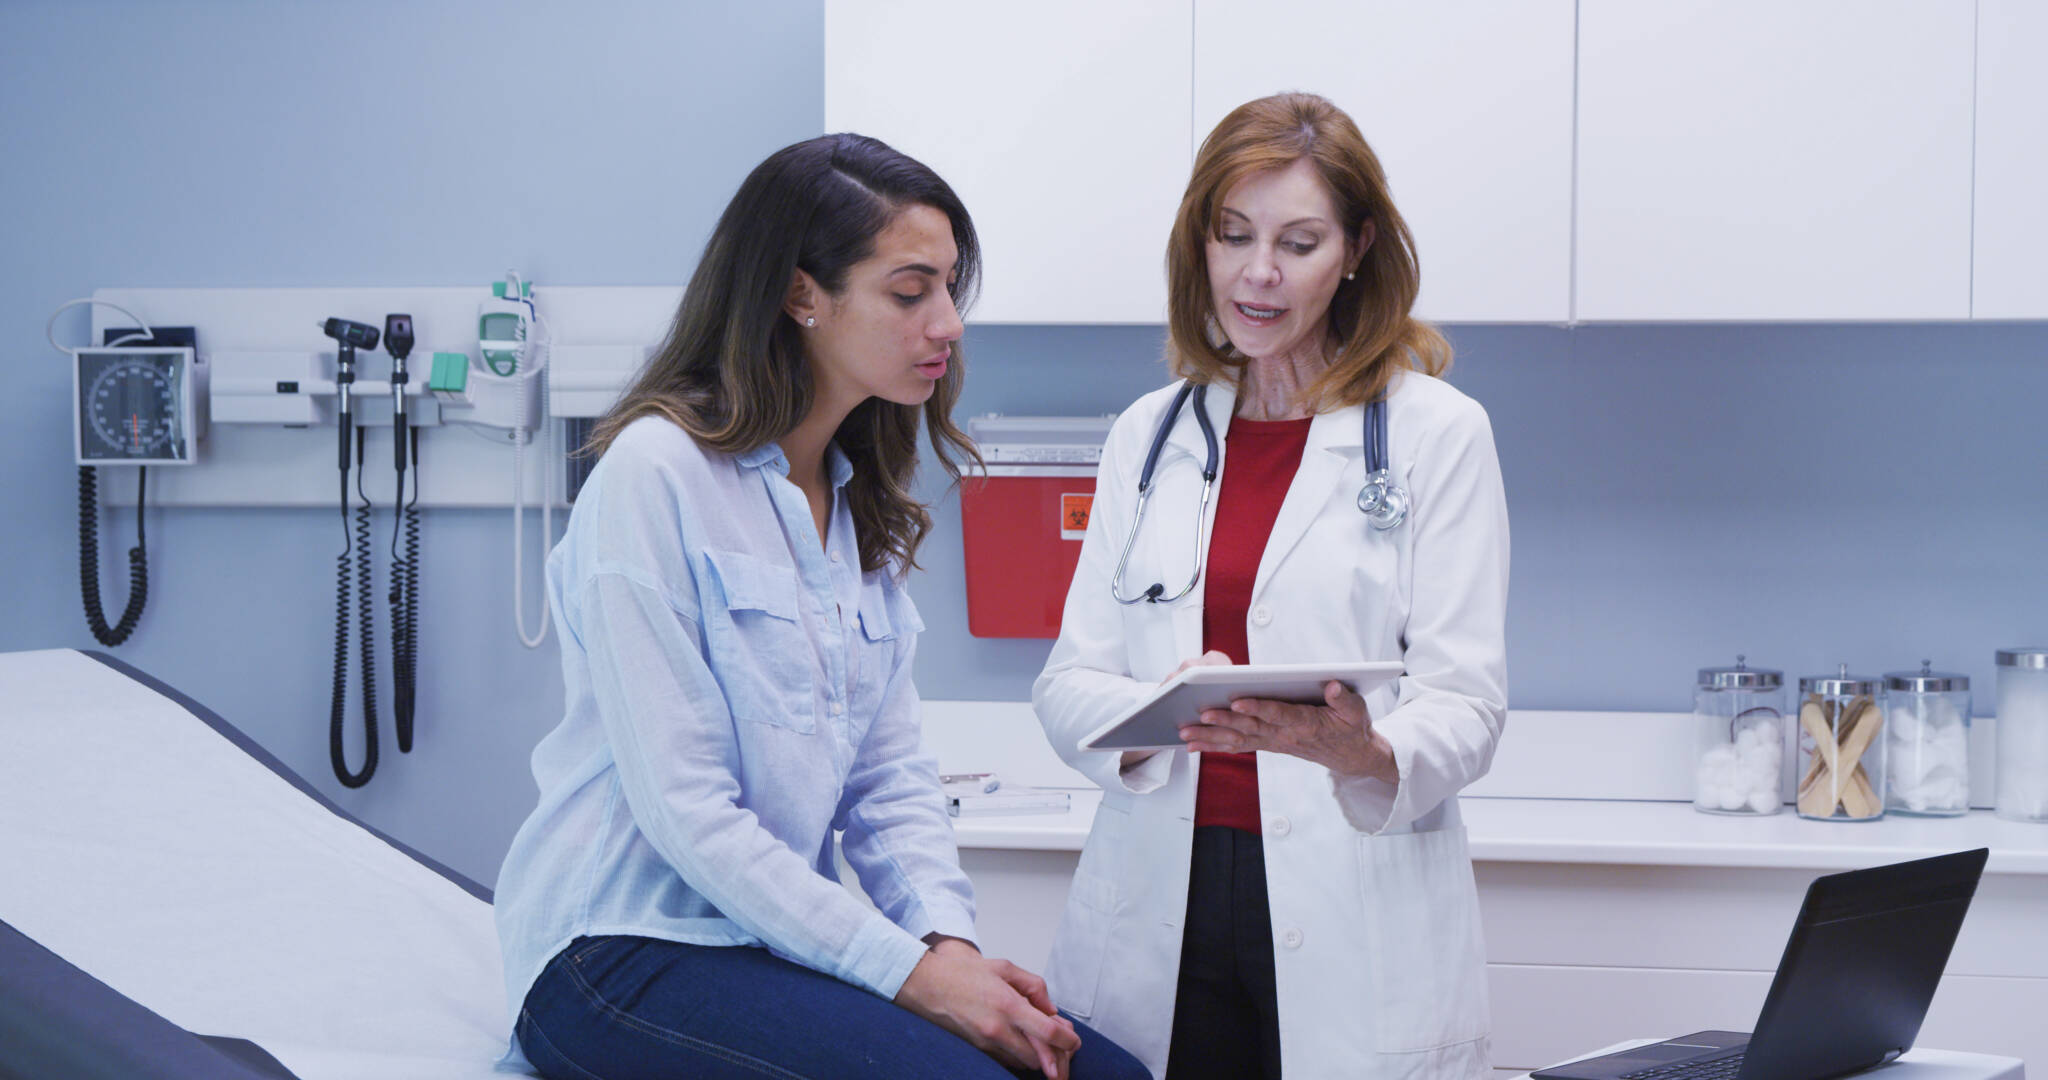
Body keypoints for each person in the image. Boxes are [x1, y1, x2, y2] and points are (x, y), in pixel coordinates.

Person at [494, 133, 1146, 1080]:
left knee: (1101, 1075)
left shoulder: (855, 507)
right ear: (803, 295)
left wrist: (946, 949)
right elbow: (688, 813)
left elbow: (889, 783)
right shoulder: (655, 475)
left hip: (765, 945)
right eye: (909, 290)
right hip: (616, 952)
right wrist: (911, 980)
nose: (949, 324)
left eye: (950, 289)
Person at [1034, 94, 1510, 1079]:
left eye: (1298, 242)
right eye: (1233, 235)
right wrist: (1169, 713)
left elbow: (1465, 702)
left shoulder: (1437, 433)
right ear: (1197, 242)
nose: (1257, 273)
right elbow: (1067, 684)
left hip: (1351, 894)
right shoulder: (1145, 433)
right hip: (1164, 903)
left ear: (1355, 251)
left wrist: (1364, 747)